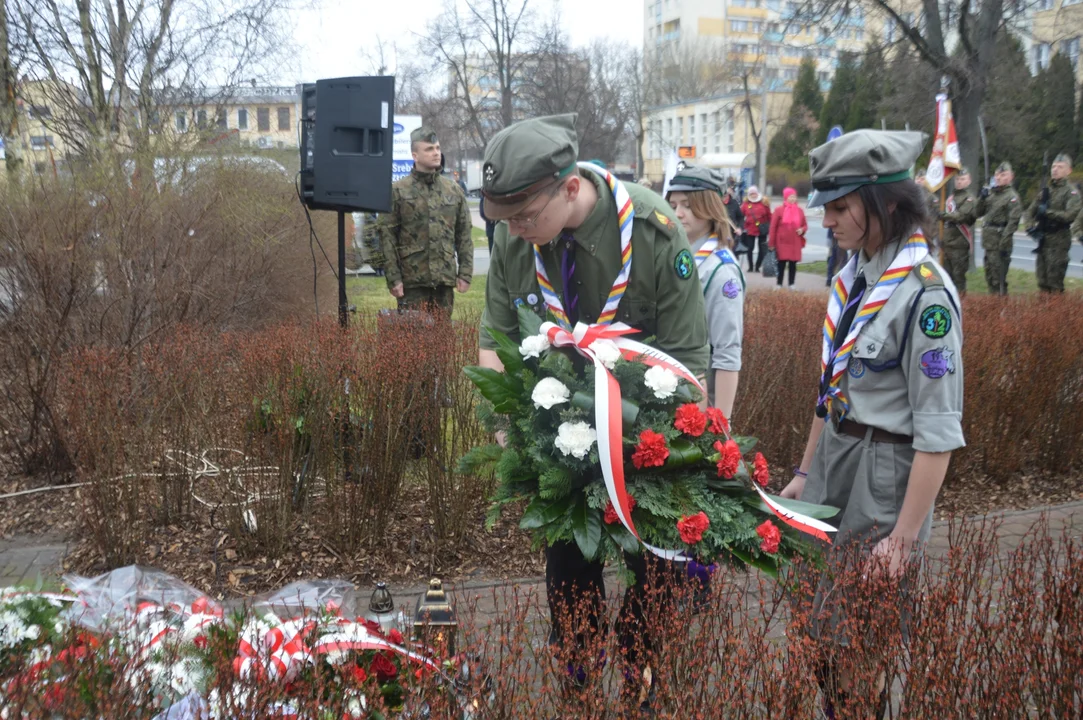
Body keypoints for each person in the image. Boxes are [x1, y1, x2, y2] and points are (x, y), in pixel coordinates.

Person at [476, 113, 708, 713]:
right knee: (569, 582)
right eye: (507, 219)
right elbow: (497, 339)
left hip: (643, 439)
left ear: (571, 187)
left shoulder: (654, 233)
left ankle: (642, 685)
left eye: (528, 216)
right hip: (561, 441)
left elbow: (688, 364)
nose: (518, 231)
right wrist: (507, 431)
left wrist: (659, 454)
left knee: (652, 584)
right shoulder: (513, 238)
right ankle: (578, 687)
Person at [779, 130, 964, 720]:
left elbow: (937, 435)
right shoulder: (854, 279)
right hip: (835, 463)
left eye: (839, 208)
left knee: (858, 646)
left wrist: (902, 541)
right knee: (820, 634)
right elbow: (829, 391)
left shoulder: (925, 297)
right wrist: (807, 471)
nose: (826, 221)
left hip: (883, 480)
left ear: (884, 203)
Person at [666, 166, 745, 418]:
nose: (677, 213)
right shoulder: (674, 256)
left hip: (697, 407)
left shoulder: (720, 270)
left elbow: (727, 353)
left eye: (687, 205)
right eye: (673, 204)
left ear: (708, 208)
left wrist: (720, 426)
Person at [379, 127, 474, 318]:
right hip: (412, 281)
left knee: (443, 338)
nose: (436, 153)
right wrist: (393, 278)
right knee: (414, 340)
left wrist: (465, 272)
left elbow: (463, 233)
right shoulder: (398, 191)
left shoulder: (453, 191)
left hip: (443, 280)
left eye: (437, 148)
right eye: (429, 149)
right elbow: (386, 237)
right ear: (415, 155)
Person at [1026, 153, 1082, 293]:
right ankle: (1045, 314)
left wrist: (1047, 212)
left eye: (1060, 167)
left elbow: (1069, 216)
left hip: (1059, 241)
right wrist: (1030, 227)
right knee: (1042, 282)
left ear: (1069, 171)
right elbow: (1030, 212)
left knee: (1055, 284)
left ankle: (1057, 313)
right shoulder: (1046, 191)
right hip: (1043, 240)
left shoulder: (1071, 193)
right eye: (1054, 166)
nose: (1055, 169)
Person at [976, 162, 1022, 295]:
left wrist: (1003, 244)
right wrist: (981, 198)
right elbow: (977, 213)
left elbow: (1013, 223)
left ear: (1011, 176)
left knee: (998, 281)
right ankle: (993, 309)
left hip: (1000, 243)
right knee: (990, 278)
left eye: (1003, 175)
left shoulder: (1011, 197)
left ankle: (1001, 310)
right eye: (997, 175)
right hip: (989, 243)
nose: (999, 177)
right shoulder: (991, 194)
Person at [937, 167, 978, 294]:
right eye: (957, 179)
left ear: (969, 181)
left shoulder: (970, 199)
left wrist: (943, 215)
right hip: (947, 243)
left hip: (959, 244)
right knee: (946, 277)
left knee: (958, 278)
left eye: (963, 179)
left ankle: (962, 304)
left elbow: (960, 216)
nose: (959, 181)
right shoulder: (951, 198)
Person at [768, 187, 808, 289]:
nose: (792, 199)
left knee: (793, 264)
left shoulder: (799, 211)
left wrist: (802, 230)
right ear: (785, 197)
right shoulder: (779, 210)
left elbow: (805, 225)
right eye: (790, 196)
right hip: (782, 242)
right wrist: (771, 243)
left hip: (795, 242)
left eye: (794, 197)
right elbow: (773, 227)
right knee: (781, 264)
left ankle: (792, 284)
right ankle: (779, 283)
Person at [741, 186, 772, 272]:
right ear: (749, 195)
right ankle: (750, 267)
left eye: (754, 193)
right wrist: (741, 226)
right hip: (750, 229)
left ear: (757, 193)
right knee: (749, 248)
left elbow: (770, 216)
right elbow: (740, 216)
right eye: (751, 194)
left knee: (762, 249)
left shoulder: (764, 203)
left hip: (762, 229)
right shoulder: (746, 204)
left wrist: (771, 226)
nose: (753, 195)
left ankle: (757, 266)